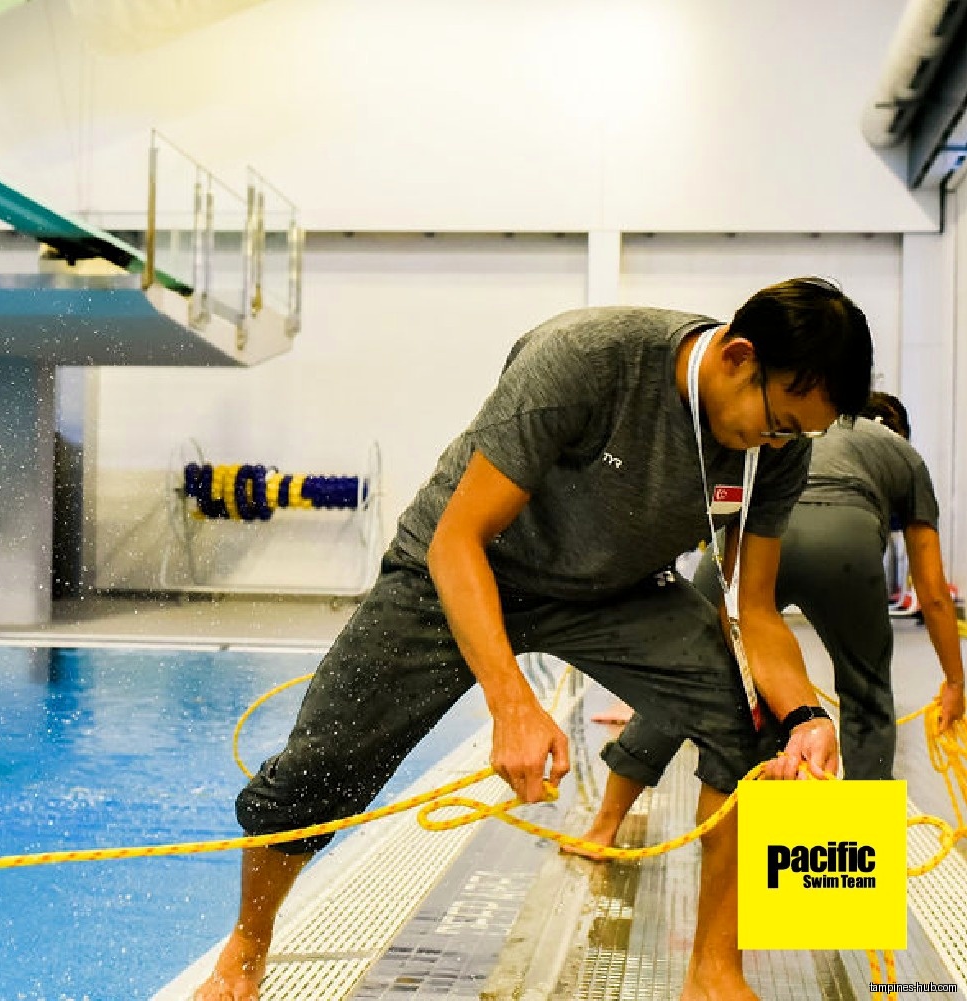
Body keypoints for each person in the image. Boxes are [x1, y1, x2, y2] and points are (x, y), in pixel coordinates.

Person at [194, 277, 873, 1001]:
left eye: (795, 434)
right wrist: (510, 703)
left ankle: (714, 971)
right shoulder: (587, 359)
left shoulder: (773, 450)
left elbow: (754, 610)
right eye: (777, 423)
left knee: (748, 722)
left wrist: (805, 714)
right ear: (738, 355)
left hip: (614, 588)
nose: (778, 443)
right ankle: (247, 944)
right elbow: (458, 541)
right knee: (324, 762)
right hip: (465, 566)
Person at [574, 391, 965, 857]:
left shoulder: (800, 429)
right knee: (866, 695)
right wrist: (956, 681)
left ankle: (603, 829)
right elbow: (935, 594)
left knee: (685, 677)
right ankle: (856, 867)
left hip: (753, 534)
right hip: (845, 542)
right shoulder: (903, 454)